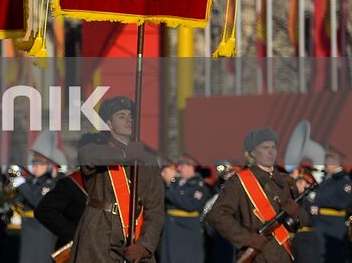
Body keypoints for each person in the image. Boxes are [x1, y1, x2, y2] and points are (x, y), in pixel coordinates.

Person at [71, 96, 163, 263]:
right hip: (98, 234)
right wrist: (126, 154)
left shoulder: (147, 160)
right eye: (121, 116)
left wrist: (145, 246)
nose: (128, 120)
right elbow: (89, 157)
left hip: (135, 237)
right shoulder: (94, 150)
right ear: (109, 124)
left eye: (131, 116)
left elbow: (155, 209)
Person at [205, 128, 309, 263]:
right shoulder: (238, 182)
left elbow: (306, 221)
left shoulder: (286, 181)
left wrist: (296, 213)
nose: (271, 151)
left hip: (285, 255)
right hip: (258, 257)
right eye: (265, 147)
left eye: (273, 147)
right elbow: (216, 216)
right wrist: (247, 239)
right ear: (253, 152)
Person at [158, 153, 210, 263]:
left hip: (186, 230)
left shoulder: (198, 186)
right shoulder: (176, 183)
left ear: (191, 166)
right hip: (170, 230)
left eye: (182, 165)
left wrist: (169, 185)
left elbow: (190, 205)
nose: (179, 168)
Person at [308, 146, 350, 263]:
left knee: (333, 256)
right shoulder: (328, 179)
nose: (324, 166)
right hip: (322, 224)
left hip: (333, 226)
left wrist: (320, 202)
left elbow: (343, 203)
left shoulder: (344, 180)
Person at [15, 152, 59, 263]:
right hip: (28, 226)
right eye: (34, 164)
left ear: (47, 167)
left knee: (40, 257)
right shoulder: (34, 182)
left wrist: (22, 186)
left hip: (40, 227)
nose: (35, 167)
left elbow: (38, 202)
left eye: (38, 165)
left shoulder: (50, 184)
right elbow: (19, 201)